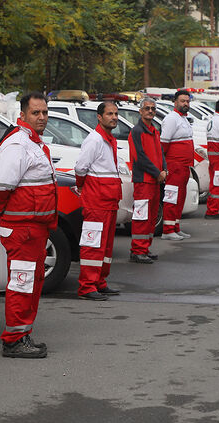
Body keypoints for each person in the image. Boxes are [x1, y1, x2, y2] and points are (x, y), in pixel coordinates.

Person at [0, 91, 57, 358]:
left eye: (44, 113)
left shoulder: (33, 143)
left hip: (34, 229)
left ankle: (22, 334)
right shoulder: (18, 144)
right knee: (21, 284)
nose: (41, 117)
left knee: (30, 284)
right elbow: (3, 185)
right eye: (35, 113)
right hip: (23, 231)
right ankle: (14, 341)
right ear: (23, 115)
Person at [75, 101, 123, 300]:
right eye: (110, 114)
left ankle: (99, 282)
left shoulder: (108, 139)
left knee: (106, 247)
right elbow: (80, 168)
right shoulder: (94, 140)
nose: (114, 117)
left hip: (108, 201)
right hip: (97, 202)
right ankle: (87, 287)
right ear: (99, 116)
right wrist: (83, 187)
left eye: (116, 114)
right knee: (93, 245)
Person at [129, 97, 167, 264]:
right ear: (141, 111)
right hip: (144, 181)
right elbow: (140, 158)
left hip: (155, 181)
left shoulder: (154, 130)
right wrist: (157, 172)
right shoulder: (137, 131)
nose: (150, 111)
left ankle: (145, 248)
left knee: (152, 217)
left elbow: (160, 153)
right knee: (142, 217)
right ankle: (137, 250)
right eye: (147, 108)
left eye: (153, 108)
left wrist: (164, 169)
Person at [160, 90, 194, 241]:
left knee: (180, 197)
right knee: (171, 198)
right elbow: (164, 144)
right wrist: (164, 166)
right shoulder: (171, 119)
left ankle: (175, 227)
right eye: (182, 101)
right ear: (175, 102)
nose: (185, 104)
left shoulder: (184, 119)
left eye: (187, 101)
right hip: (174, 166)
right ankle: (167, 230)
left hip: (184, 167)